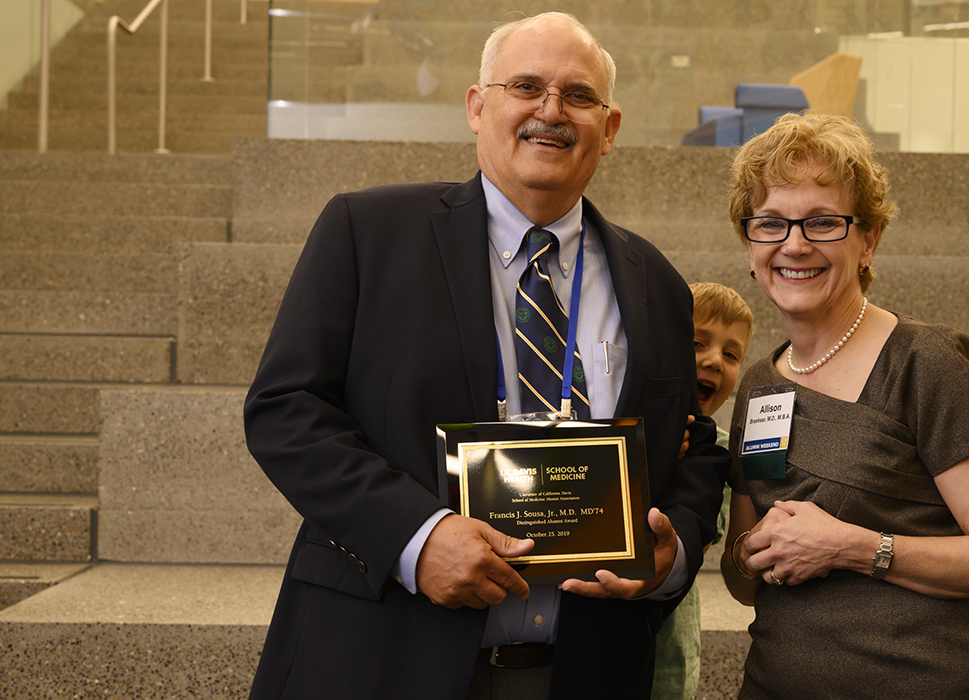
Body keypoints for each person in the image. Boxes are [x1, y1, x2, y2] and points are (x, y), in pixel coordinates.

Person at [243, 12, 727, 700]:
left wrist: (672, 544)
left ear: (610, 129)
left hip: (585, 672)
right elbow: (285, 410)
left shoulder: (655, 279)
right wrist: (417, 537)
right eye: (525, 86)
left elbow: (695, 445)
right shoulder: (366, 233)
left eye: (579, 96)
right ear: (477, 106)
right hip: (382, 659)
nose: (551, 112)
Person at [718, 113, 969, 699]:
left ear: (867, 241)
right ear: (749, 244)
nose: (794, 244)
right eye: (770, 223)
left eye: (822, 222)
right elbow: (744, 581)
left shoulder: (928, 362)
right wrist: (751, 551)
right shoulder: (760, 385)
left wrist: (851, 547)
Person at [651, 282, 753, 700]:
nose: (714, 360)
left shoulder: (724, 450)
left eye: (731, 355)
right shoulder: (622, 429)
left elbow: (700, 544)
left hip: (669, 655)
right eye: (697, 343)